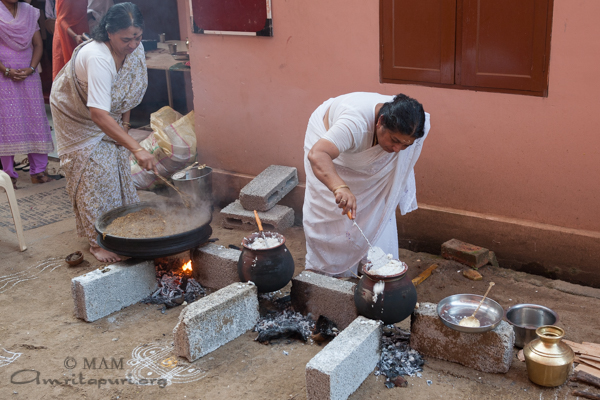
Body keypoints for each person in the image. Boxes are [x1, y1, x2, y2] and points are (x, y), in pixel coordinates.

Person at [50, 2, 156, 263]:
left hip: (105, 112)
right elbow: (98, 114)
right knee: (95, 173)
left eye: (138, 37)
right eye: (126, 39)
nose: (133, 44)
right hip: (74, 112)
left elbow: (125, 94)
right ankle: (97, 242)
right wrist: (137, 147)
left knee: (117, 165)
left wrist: (125, 129)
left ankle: (118, 227)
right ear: (109, 32)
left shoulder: (134, 48)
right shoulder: (99, 58)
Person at [303, 92, 430, 277]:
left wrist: (399, 143)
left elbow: (401, 144)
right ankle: (327, 271)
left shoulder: (415, 125)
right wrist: (340, 187)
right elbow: (318, 154)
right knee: (330, 209)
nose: (396, 150)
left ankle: (372, 265)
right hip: (325, 145)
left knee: (377, 205)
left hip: (354, 146)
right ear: (380, 122)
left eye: (405, 146)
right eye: (394, 141)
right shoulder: (355, 125)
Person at [0, 0, 56, 189]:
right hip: (2, 74)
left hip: (28, 75)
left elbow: (38, 44)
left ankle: (38, 172)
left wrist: (32, 68)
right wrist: (6, 70)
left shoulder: (30, 12)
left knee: (35, 119)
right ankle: (8, 176)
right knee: (6, 122)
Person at [52, 0, 88, 79]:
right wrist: (75, 36)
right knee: (65, 71)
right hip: (66, 36)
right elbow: (61, 20)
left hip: (80, 33)